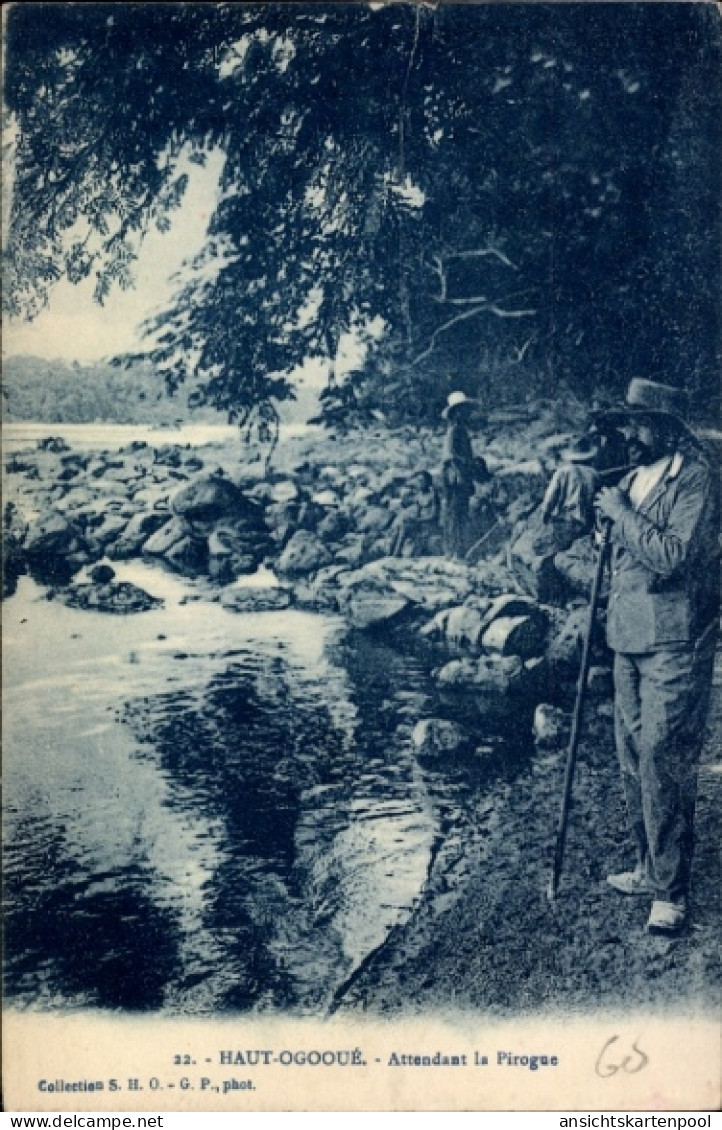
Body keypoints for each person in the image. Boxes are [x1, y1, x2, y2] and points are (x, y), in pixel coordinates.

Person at [594, 378, 720, 936]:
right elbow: (625, 549)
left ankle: (671, 893)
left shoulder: (695, 479)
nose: (628, 433)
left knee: (662, 758)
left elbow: (672, 557)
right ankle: (647, 867)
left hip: (674, 639)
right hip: (626, 637)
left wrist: (620, 514)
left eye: (638, 423)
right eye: (625, 423)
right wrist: (606, 532)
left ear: (666, 428)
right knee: (630, 755)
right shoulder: (629, 478)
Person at [440, 390, 477, 559]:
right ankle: (454, 551)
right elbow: (451, 456)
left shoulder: (460, 430)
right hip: (456, 477)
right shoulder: (455, 431)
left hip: (461, 475)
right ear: (456, 413)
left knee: (459, 512)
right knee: (456, 513)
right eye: (462, 410)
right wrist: (463, 469)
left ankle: (457, 550)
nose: (466, 413)